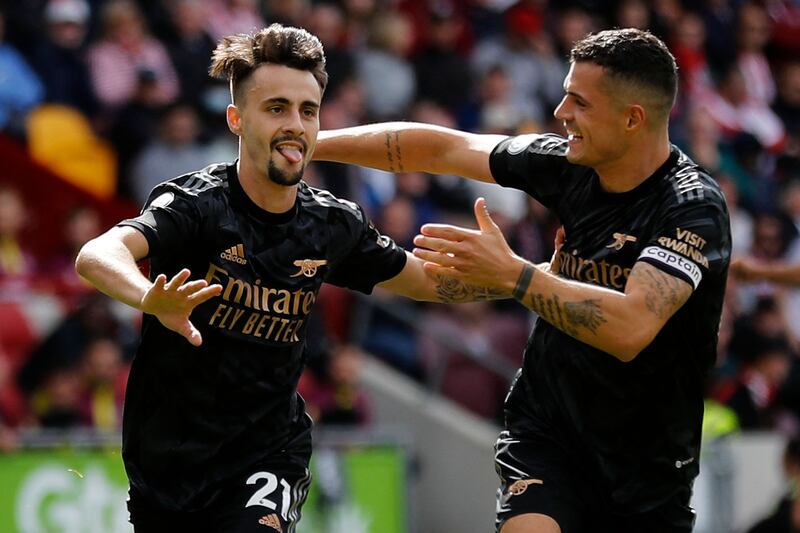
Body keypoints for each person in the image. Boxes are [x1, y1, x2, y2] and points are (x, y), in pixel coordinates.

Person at [75, 24, 502, 533]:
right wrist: (151, 298)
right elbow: (97, 253)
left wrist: (525, 278)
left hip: (268, 453)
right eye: (276, 108)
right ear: (237, 118)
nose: (295, 125)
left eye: (308, 110)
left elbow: (427, 282)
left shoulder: (332, 224)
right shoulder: (197, 205)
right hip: (167, 463)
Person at [314, 28, 732, 533]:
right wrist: (307, 143)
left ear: (632, 118)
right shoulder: (568, 165)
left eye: (579, 101)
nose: (560, 113)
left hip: (647, 465)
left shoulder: (690, 207)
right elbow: (444, 149)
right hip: (547, 433)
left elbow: (630, 327)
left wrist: (515, 276)